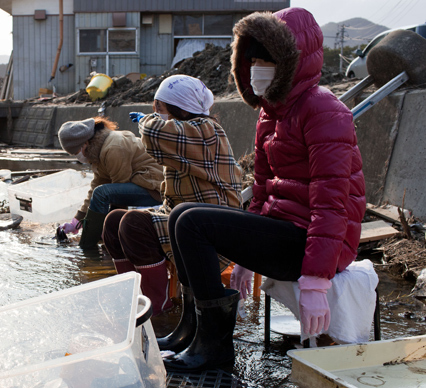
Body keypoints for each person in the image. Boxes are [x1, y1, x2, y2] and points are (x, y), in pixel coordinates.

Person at [163, 7, 366, 372]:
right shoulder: (270, 112)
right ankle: (193, 331)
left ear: (292, 61)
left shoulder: (324, 110)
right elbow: (260, 191)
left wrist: (317, 282)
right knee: (181, 215)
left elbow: (332, 203)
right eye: (252, 59)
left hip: (314, 244)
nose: (257, 69)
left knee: (195, 224)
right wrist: (243, 260)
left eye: (267, 60)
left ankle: (215, 347)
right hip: (283, 230)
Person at [101, 75, 243, 320]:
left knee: (134, 223)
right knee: (114, 221)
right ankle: (132, 297)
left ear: (180, 108)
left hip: (210, 224)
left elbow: (154, 132)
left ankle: (158, 306)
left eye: (160, 107)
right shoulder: (184, 131)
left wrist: (147, 120)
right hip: (181, 216)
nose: (155, 112)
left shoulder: (205, 130)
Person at [58, 116, 164, 249]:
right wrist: (77, 220)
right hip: (140, 183)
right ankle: (90, 241)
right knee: (100, 191)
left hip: (154, 187)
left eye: (76, 152)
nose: (77, 157)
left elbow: (118, 196)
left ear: (85, 143)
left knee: (103, 193)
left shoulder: (113, 147)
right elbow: (96, 186)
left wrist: (109, 228)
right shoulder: (98, 152)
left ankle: (89, 246)